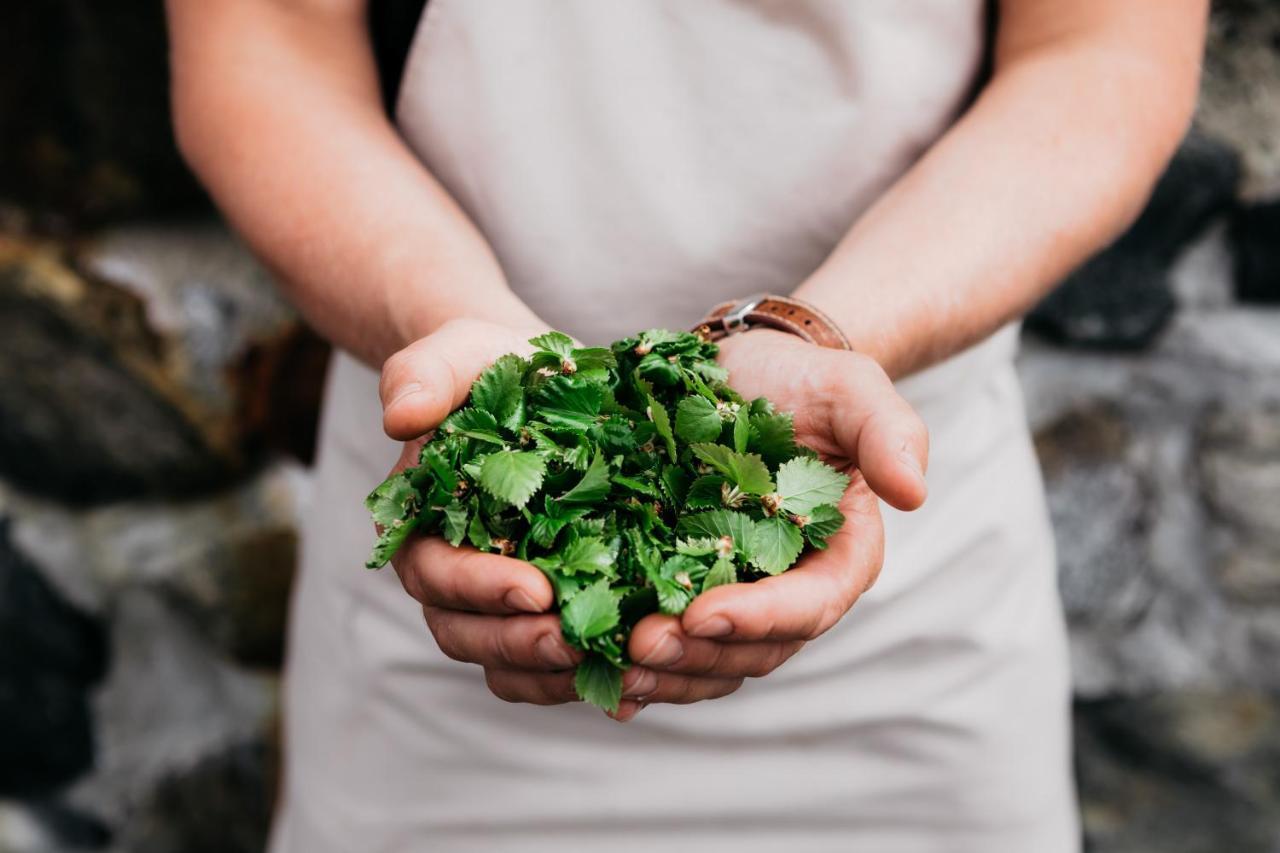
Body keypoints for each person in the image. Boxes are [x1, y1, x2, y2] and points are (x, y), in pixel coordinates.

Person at [165, 1, 1206, 850]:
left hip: (906, 612)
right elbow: (264, 45)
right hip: (448, 598)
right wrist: (446, 321)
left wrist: (826, 338)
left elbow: (1098, 55)